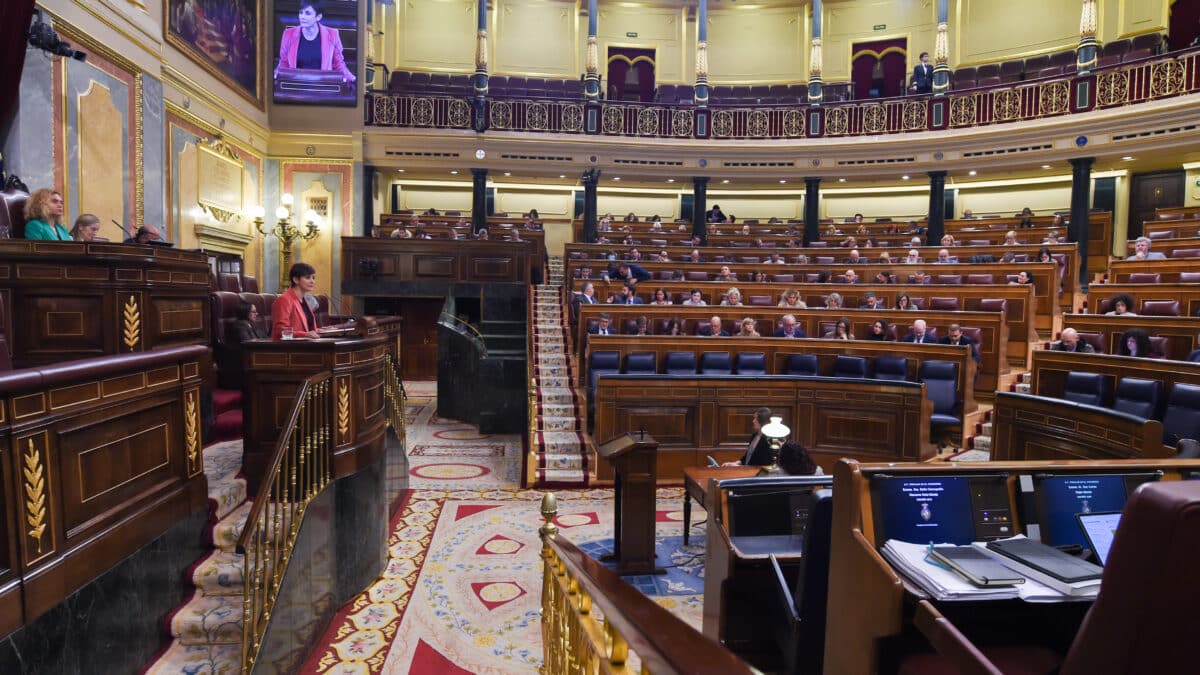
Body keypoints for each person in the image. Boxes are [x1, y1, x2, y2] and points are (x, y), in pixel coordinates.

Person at [275, 1, 356, 83]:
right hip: (296, 85)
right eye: (301, 12)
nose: (302, 17)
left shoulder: (332, 34)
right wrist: (275, 76)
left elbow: (339, 64)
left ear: (318, 17)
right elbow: (283, 63)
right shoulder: (288, 34)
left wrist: (351, 78)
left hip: (322, 86)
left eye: (307, 13)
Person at [272, 262, 320, 339]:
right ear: (296, 280)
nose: (312, 281)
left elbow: (309, 329)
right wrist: (305, 334)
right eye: (308, 277)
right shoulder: (284, 300)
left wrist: (326, 330)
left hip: (308, 346)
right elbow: (280, 330)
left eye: (313, 278)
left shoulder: (304, 300)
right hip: (291, 349)